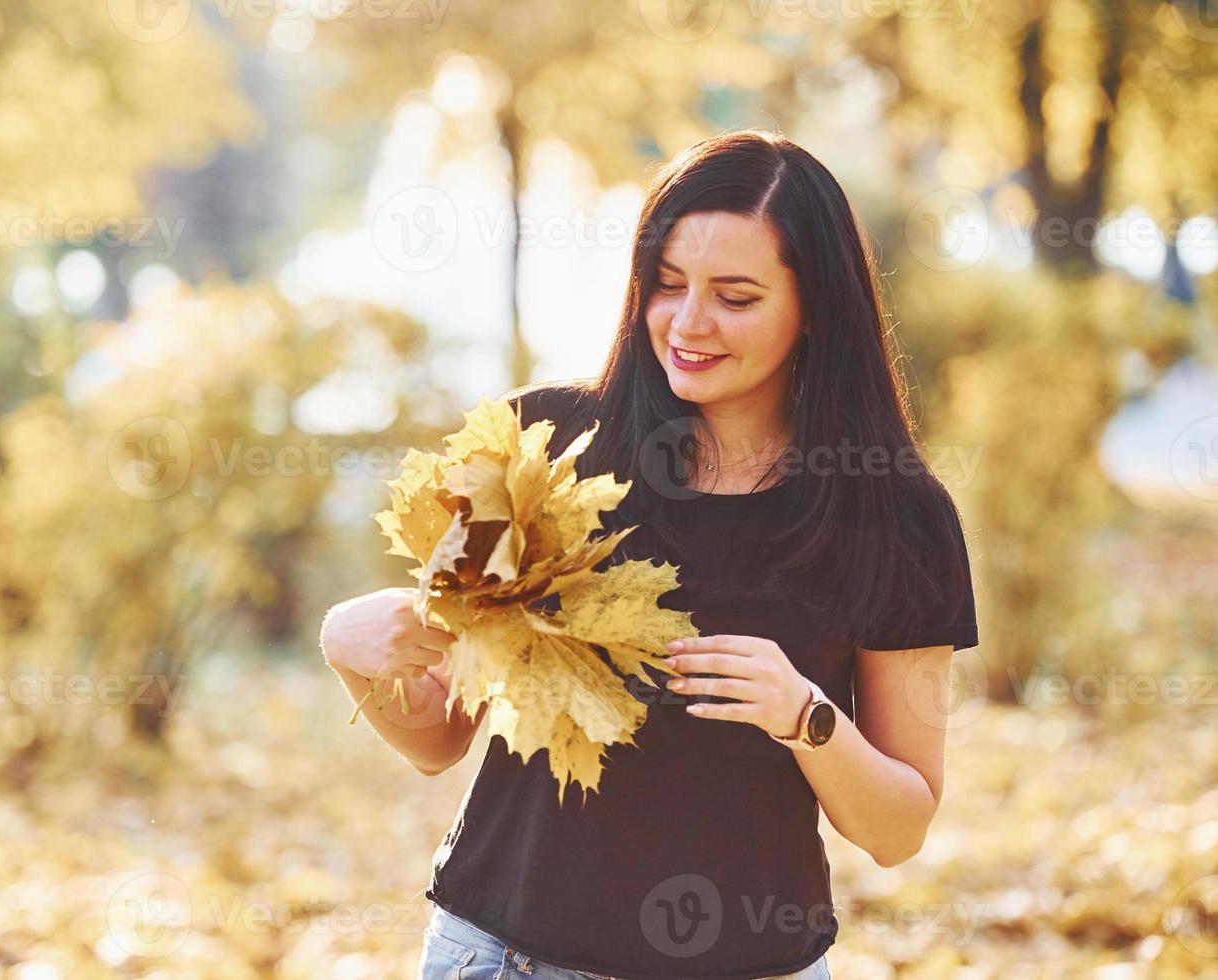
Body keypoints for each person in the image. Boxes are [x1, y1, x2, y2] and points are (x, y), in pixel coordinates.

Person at [319, 130, 979, 980]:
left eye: (735, 298)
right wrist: (350, 648)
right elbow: (437, 738)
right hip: (505, 958)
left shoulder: (898, 516)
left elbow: (899, 829)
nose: (688, 324)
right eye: (667, 285)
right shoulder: (534, 447)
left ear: (815, 304)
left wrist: (805, 715)